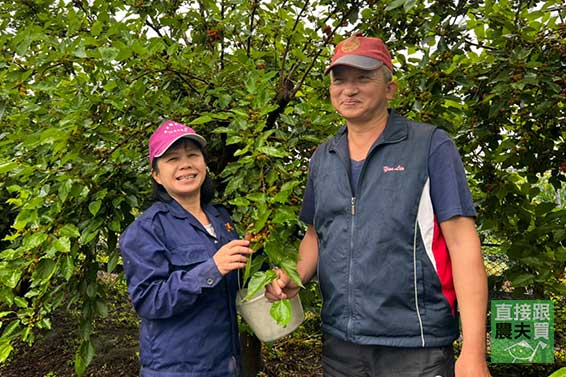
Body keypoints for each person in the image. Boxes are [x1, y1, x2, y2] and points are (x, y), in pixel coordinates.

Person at [265, 34, 491, 377]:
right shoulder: (323, 157)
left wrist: (473, 353)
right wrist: (295, 275)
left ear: (390, 88)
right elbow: (316, 233)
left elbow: (462, 243)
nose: (349, 89)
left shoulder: (429, 146)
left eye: (363, 78)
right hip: (342, 343)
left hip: (415, 343)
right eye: (339, 80)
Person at [119, 120, 253, 377]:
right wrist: (211, 269)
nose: (185, 164)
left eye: (193, 155)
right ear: (156, 174)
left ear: (204, 163)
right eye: (172, 158)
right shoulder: (146, 230)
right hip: (178, 368)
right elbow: (149, 301)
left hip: (226, 363)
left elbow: (235, 279)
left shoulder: (220, 218)